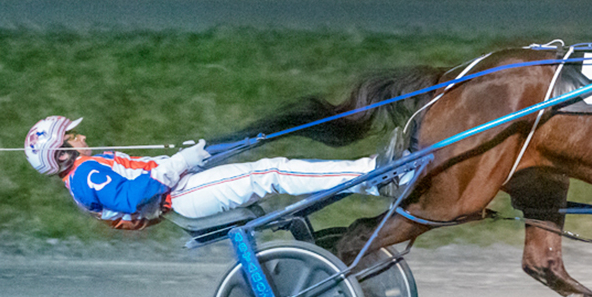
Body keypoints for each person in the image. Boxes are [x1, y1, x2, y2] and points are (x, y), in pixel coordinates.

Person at [25, 116, 387, 230]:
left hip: (181, 189)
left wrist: (195, 156)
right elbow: (133, 197)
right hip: (181, 196)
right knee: (271, 172)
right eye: (72, 135)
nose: (82, 135)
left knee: (265, 162)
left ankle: (368, 173)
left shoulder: (85, 171)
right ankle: (372, 175)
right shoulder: (88, 174)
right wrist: (182, 161)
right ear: (63, 153)